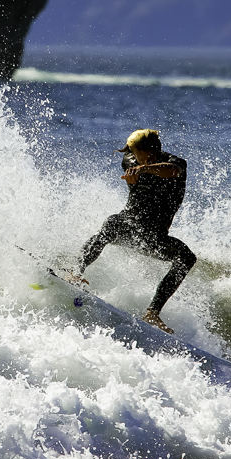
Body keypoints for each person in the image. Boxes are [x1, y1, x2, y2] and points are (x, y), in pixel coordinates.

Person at [68, 129, 196, 335]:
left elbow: (172, 171)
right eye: (143, 154)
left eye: (153, 152)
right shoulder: (129, 160)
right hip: (129, 228)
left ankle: (152, 313)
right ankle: (75, 273)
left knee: (187, 258)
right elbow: (135, 163)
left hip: (154, 237)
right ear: (132, 151)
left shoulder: (175, 163)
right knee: (110, 225)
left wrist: (144, 169)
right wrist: (139, 168)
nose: (148, 157)